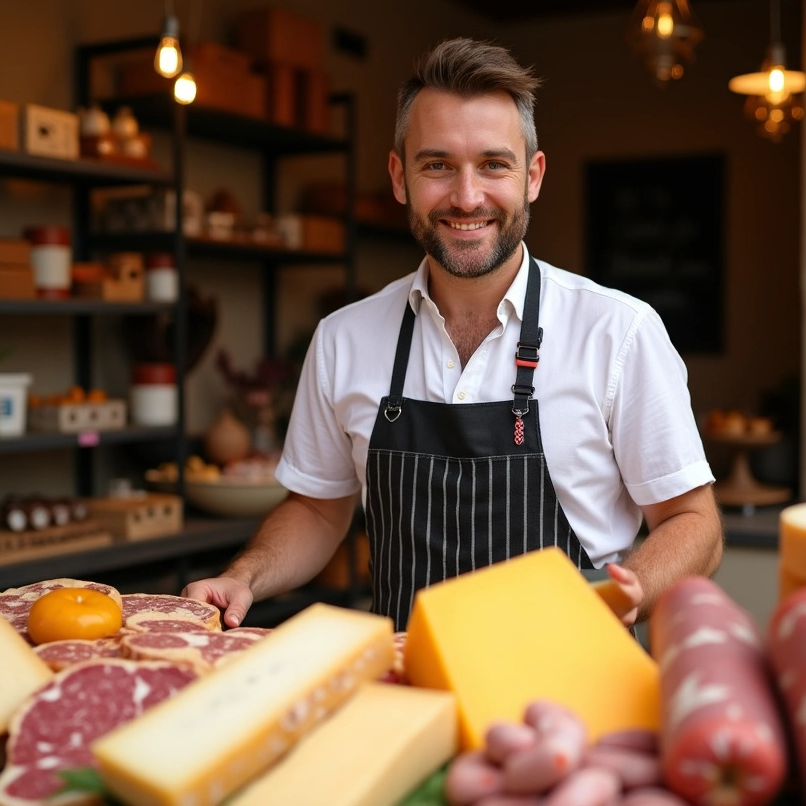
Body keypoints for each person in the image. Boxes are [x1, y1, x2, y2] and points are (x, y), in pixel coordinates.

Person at [184, 37, 722, 632]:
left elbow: (696, 523)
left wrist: (628, 596)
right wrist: (245, 577)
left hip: (572, 690)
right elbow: (316, 509)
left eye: (494, 164)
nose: (467, 198)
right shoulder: (344, 338)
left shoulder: (619, 332)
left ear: (533, 176)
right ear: (399, 177)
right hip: (406, 692)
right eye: (437, 164)